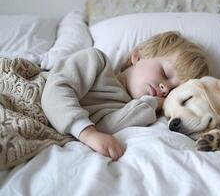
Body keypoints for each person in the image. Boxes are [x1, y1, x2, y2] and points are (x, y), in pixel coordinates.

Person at [41, 31, 210, 161]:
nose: (165, 88)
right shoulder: (96, 62)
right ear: (138, 56)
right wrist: (87, 133)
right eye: (164, 73)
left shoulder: (135, 111)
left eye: (173, 91)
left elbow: (104, 128)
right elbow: (56, 91)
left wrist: (153, 104)